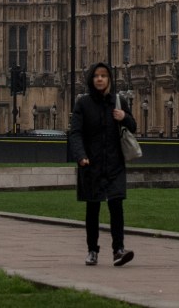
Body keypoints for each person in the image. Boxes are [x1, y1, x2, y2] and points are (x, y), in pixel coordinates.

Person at [68, 62, 136, 267]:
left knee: (116, 205)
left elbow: (133, 126)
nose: (100, 79)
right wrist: (81, 156)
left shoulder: (118, 101)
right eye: (96, 76)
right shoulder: (83, 104)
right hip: (91, 162)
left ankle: (118, 249)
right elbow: (76, 133)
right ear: (91, 79)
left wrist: (124, 116)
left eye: (104, 76)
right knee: (93, 207)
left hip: (114, 162)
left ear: (109, 79)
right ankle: (92, 250)